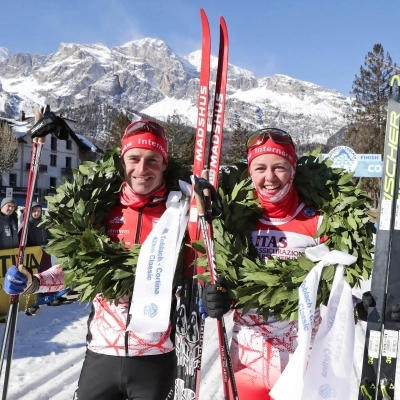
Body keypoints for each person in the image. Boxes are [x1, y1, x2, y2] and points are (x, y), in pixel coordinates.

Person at [3, 120, 183, 400]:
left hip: (155, 357)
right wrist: (34, 282)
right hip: (102, 354)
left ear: (164, 163)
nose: (142, 169)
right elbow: (77, 270)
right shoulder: (99, 208)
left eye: (153, 160)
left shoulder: (181, 211)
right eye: (134, 158)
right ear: (123, 161)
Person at [201, 128, 332, 399]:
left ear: (293, 169)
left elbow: (335, 287)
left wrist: (363, 304)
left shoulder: (318, 220)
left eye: (279, 167)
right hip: (247, 360)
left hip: (301, 359)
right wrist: (217, 296)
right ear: (250, 172)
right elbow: (221, 276)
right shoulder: (234, 220)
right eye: (260, 167)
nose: (269, 177)